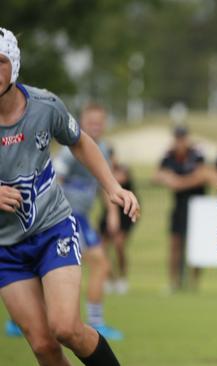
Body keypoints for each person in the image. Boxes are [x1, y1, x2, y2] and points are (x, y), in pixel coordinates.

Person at [0, 27, 138, 365]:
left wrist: (113, 187)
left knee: (64, 327)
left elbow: (79, 142)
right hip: (5, 248)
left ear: (14, 65)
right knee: (43, 346)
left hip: (52, 230)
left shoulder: (45, 105)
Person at [52, 102, 123, 340]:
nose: (96, 126)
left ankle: (19, 321)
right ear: (82, 123)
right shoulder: (70, 149)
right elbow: (54, 178)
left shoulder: (102, 149)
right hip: (66, 217)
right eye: (91, 122)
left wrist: (112, 215)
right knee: (98, 265)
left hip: (81, 218)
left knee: (94, 266)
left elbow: (106, 184)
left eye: (99, 122)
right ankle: (95, 324)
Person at [154, 126, 207, 292]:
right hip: (179, 205)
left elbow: (202, 176)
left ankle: (193, 284)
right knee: (175, 244)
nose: (180, 142)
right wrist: (170, 179)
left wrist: (177, 182)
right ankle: (174, 283)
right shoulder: (169, 155)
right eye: (177, 138)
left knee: (196, 245)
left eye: (182, 138)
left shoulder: (196, 153)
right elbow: (157, 175)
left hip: (197, 206)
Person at [100, 147, 137, 295]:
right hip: (108, 212)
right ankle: (110, 279)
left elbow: (120, 178)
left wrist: (105, 173)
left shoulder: (123, 169)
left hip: (125, 212)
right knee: (102, 247)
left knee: (119, 245)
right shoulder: (101, 172)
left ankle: (122, 278)